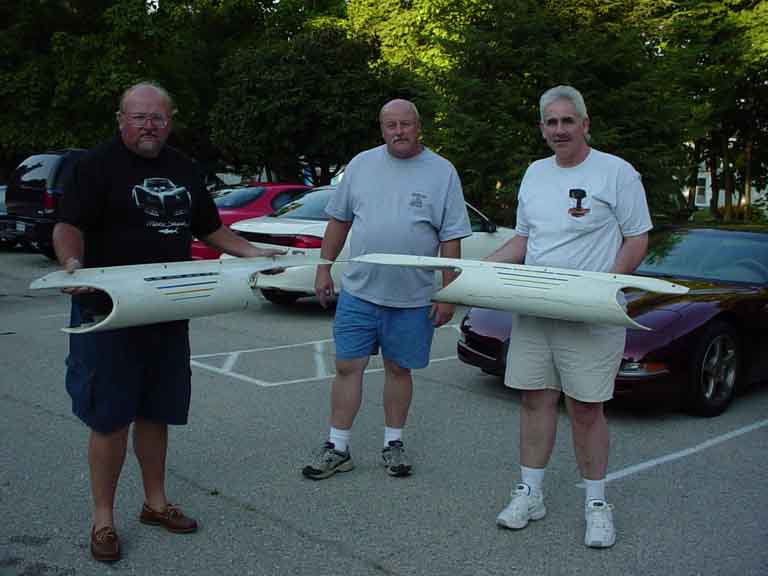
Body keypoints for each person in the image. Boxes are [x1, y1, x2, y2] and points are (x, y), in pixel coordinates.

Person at [52, 81, 282, 563]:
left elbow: (210, 228)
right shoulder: (92, 166)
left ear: (170, 120)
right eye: (139, 117)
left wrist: (254, 253)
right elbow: (68, 224)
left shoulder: (184, 168)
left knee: (157, 410)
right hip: (109, 308)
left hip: (166, 308)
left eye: (158, 117)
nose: (149, 126)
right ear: (121, 120)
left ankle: (155, 504)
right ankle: (103, 520)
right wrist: (72, 264)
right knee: (110, 416)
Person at [487, 85, 651, 548]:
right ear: (542, 129)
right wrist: (478, 271)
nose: (559, 129)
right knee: (534, 401)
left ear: (584, 123)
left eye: (567, 120)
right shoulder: (535, 175)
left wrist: (606, 286)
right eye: (551, 122)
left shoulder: (617, 173)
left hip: (591, 312)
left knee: (585, 409)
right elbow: (523, 239)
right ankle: (530, 493)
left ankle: (597, 504)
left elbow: (637, 237)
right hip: (537, 308)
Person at [301, 98, 472, 480]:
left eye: (406, 124)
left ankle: (393, 444)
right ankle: (337, 447)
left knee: (399, 369)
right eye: (391, 125)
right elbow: (338, 222)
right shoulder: (361, 165)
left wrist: (448, 294)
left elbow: (451, 240)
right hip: (359, 291)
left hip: (412, 298)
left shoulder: (442, 172)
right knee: (347, 367)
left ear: (419, 126)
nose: (399, 132)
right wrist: (323, 268)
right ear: (382, 129)